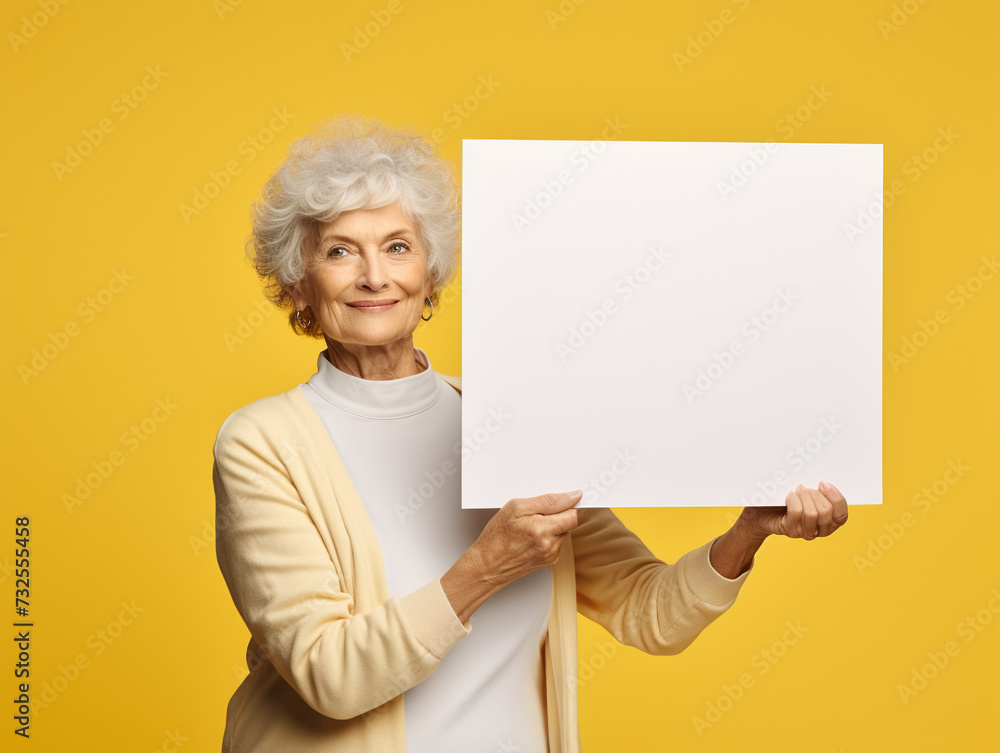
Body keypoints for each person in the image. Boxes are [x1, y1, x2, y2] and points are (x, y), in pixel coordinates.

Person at [211, 113, 849, 753]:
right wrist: (485, 569)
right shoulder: (262, 445)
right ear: (299, 284)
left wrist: (747, 531)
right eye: (339, 250)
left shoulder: (513, 420)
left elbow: (647, 612)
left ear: (432, 276)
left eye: (398, 247)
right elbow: (332, 676)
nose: (375, 275)